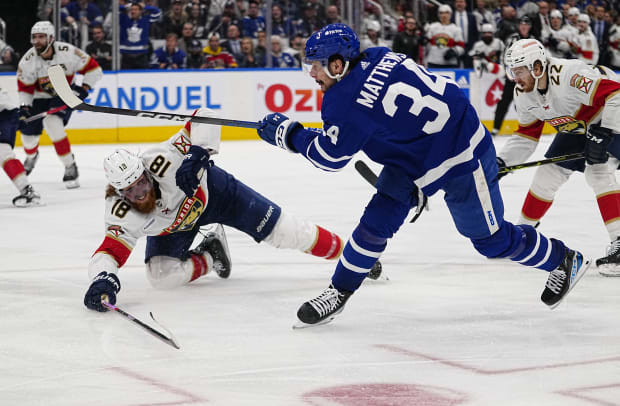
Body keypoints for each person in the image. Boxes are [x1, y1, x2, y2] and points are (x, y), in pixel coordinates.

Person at [256, 23, 590, 326]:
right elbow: (382, 117)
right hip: (418, 154)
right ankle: (339, 291)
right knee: (375, 223)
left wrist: (288, 133)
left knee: (491, 241)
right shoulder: (379, 55)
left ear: (337, 64)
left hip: (461, 154)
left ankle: (563, 259)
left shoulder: (343, 102)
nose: (311, 73)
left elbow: (330, 157)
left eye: (315, 65)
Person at [83, 108, 382, 312]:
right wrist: (102, 278)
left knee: (286, 233)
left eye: (141, 183)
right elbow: (109, 251)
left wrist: (199, 152)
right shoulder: (121, 211)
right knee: (162, 276)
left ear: (145, 172)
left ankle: (350, 256)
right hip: (177, 227)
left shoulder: (162, 159)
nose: (140, 192)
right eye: (131, 191)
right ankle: (212, 255)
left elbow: (207, 116)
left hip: (218, 195)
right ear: (118, 191)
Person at [497, 38, 620, 276]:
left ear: (537, 66)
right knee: (547, 174)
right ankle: (523, 234)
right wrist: (503, 162)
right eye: (512, 70)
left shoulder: (570, 74)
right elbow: (526, 136)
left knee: (597, 171)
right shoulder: (523, 92)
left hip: (612, 115)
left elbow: (616, 93)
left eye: (519, 71)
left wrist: (606, 131)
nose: (515, 77)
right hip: (582, 125)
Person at [17, 21, 103, 189]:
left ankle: (70, 165)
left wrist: (83, 89)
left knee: (52, 123)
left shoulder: (68, 52)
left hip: (63, 93)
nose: (37, 41)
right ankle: (31, 156)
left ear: (51, 38)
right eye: (34, 37)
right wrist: (25, 107)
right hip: (38, 98)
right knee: (28, 138)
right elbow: (25, 87)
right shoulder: (28, 60)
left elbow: (94, 70)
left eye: (41, 37)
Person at [0, 87, 41, 207]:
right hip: (7, 113)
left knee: (2, 151)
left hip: (4, 114)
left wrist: (16, 118)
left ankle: (27, 190)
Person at [424, 4, 464, 69]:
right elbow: (425, 42)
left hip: (450, 64)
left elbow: (461, 47)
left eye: (446, 13)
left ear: (450, 14)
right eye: (441, 13)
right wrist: (423, 39)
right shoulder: (432, 27)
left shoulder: (456, 29)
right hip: (433, 62)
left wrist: (454, 51)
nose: (444, 15)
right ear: (438, 15)